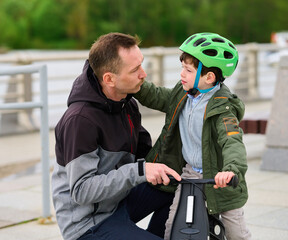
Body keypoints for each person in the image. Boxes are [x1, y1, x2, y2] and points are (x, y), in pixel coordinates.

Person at [51, 32, 181, 240]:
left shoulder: (126, 104)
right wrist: (139, 170)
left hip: (117, 202)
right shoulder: (80, 120)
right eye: (135, 69)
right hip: (87, 223)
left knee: (177, 187)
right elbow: (82, 191)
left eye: (141, 64)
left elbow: (144, 155)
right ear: (109, 79)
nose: (144, 74)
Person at [134, 32, 252, 240]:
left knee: (236, 233)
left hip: (220, 179)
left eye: (188, 70)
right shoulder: (182, 94)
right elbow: (157, 96)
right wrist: (134, 84)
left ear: (209, 77)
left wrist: (231, 171)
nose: (182, 74)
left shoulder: (223, 108)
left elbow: (232, 141)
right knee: (174, 225)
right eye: (182, 68)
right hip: (190, 174)